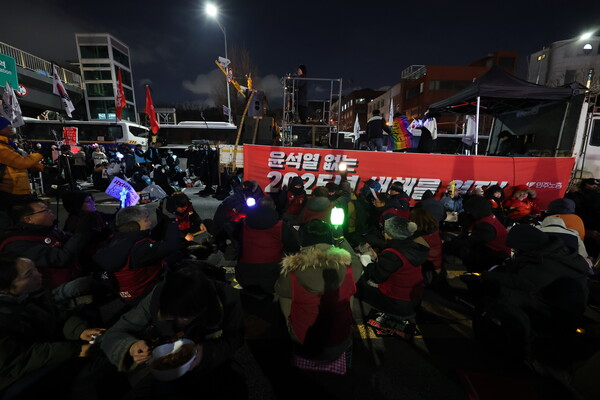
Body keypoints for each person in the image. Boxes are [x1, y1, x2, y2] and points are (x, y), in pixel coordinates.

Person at [100, 263, 246, 399]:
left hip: (212, 366)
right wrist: (130, 347)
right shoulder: (157, 296)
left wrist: (206, 352)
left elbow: (235, 337)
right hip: (167, 371)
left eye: (183, 317)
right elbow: (113, 334)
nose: (177, 323)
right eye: (170, 316)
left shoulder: (228, 298)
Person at [0, 253, 122, 399]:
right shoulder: (5, 316)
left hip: (45, 349)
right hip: (17, 376)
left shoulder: (29, 294)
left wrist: (80, 331)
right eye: (28, 274)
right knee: (96, 366)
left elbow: (56, 316)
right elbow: (21, 358)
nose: (38, 274)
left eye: (35, 269)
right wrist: (74, 350)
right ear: (7, 286)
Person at [276, 219, 361, 361]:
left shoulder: (293, 271)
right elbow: (354, 259)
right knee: (349, 290)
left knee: (284, 295)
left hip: (305, 344)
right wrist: (341, 239)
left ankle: (290, 325)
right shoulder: (348, 267)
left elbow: (279, 289)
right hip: (340, 341)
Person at [92, 205, 180, 304]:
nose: (150, 222)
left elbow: (152, 237)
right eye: (146, 220)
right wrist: (172, 220)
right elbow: (171, 246)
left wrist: (162, 220)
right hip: (142, 294)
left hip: (128, 292)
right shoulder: (139, 248)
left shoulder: (117, 238)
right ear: (134, 225)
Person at [0, 199, 93, 289]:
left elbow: (68, 239)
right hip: (53, 289)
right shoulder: (18, 244)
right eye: (45, 210)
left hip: (73, 273)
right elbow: (62, 258)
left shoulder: (43, 229)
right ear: (28, 219)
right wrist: (80, 233)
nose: (50, 211)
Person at [356, 216, 428, 318]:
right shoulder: (414, 246)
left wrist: (368, 263)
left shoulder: (393, 254)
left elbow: (377, 276)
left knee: (359, 285)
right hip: (414, 298)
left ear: (389, 234)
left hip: (398, 302)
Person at [236, 199, 300, 293]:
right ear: (274, 208)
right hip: (273, 271)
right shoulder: (281, 226)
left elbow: (236, 240)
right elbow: (294, 248)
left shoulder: (243, 224)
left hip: (246, 270)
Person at [447, 196, 510, 272]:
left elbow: (470, 241)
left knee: (463, 250)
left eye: (469, 211)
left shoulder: (486, 226)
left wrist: (448, 246)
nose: (468, 213)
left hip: (496, 257)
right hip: (494, 251)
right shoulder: (487, 218)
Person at [0, 116, 44, 208]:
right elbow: (22, 163)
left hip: (17, 191)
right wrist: (39, 154)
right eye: (7, 125)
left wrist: (42, 167)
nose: (11, 127)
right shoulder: (2, 148)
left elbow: (16, 162)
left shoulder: (9, 145)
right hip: (10, 192)